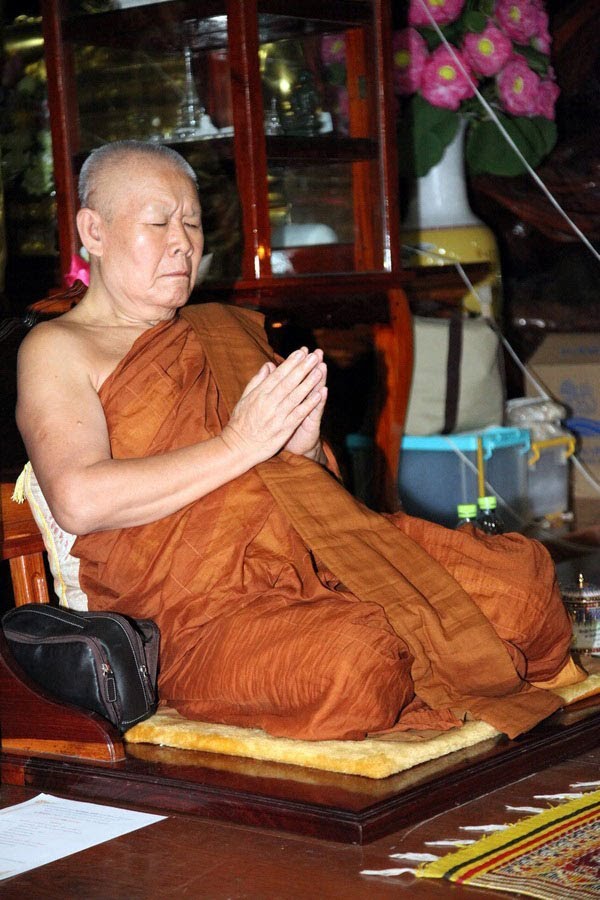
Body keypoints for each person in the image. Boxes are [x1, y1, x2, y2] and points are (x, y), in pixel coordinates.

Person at [16, 141, 584, 743]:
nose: (182, 242)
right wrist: (242, 443)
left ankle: (427, 661)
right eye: (158, 223)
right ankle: (426, 665)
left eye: (193, 223)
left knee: (524, 591)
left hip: (323, 565)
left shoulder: (221, 331)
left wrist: (301, 452)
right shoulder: (58, 348)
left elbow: (312, 501)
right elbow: (78, 499)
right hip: (197, 619)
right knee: (357, 664)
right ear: (94, 231)